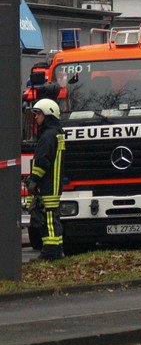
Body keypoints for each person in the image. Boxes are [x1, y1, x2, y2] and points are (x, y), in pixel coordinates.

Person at [26, 98, 66, 260]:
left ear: (48, 114)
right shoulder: (56, 134)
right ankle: (57, 251)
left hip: (47, 185)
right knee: (53, 218)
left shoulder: (48, 135)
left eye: (39, 114)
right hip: (54, 184)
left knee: (47, 220)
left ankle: (49, 254)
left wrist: (33, 179)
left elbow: (42, 161)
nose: (36, 118)